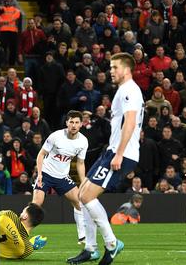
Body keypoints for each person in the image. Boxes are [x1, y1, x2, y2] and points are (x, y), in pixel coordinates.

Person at [67, 53, 142, 265]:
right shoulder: (124, 90)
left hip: (122, 153)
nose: (111, 70)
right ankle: (91, 249)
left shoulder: (129, 90)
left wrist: (118, 153)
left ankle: (111, 243)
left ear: (126, 69)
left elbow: (130, 122)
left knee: (88, 196)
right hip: (112, 151)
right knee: (83, 194)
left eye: (115, 67)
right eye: (110, 67)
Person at [33, 110, 88, 246]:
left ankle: (82, 237)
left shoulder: (83, 142)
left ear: (81, 124)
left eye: (76, 122)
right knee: (36, 204)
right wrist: (39, 174)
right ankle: (21, 233)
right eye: (71, 122)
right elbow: (41, 154)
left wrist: (84, 182)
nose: (74, 125)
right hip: (46, 174)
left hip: (63, 177)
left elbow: (80, 163)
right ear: (66, 123)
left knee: (79, 203)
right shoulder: (55, 136)